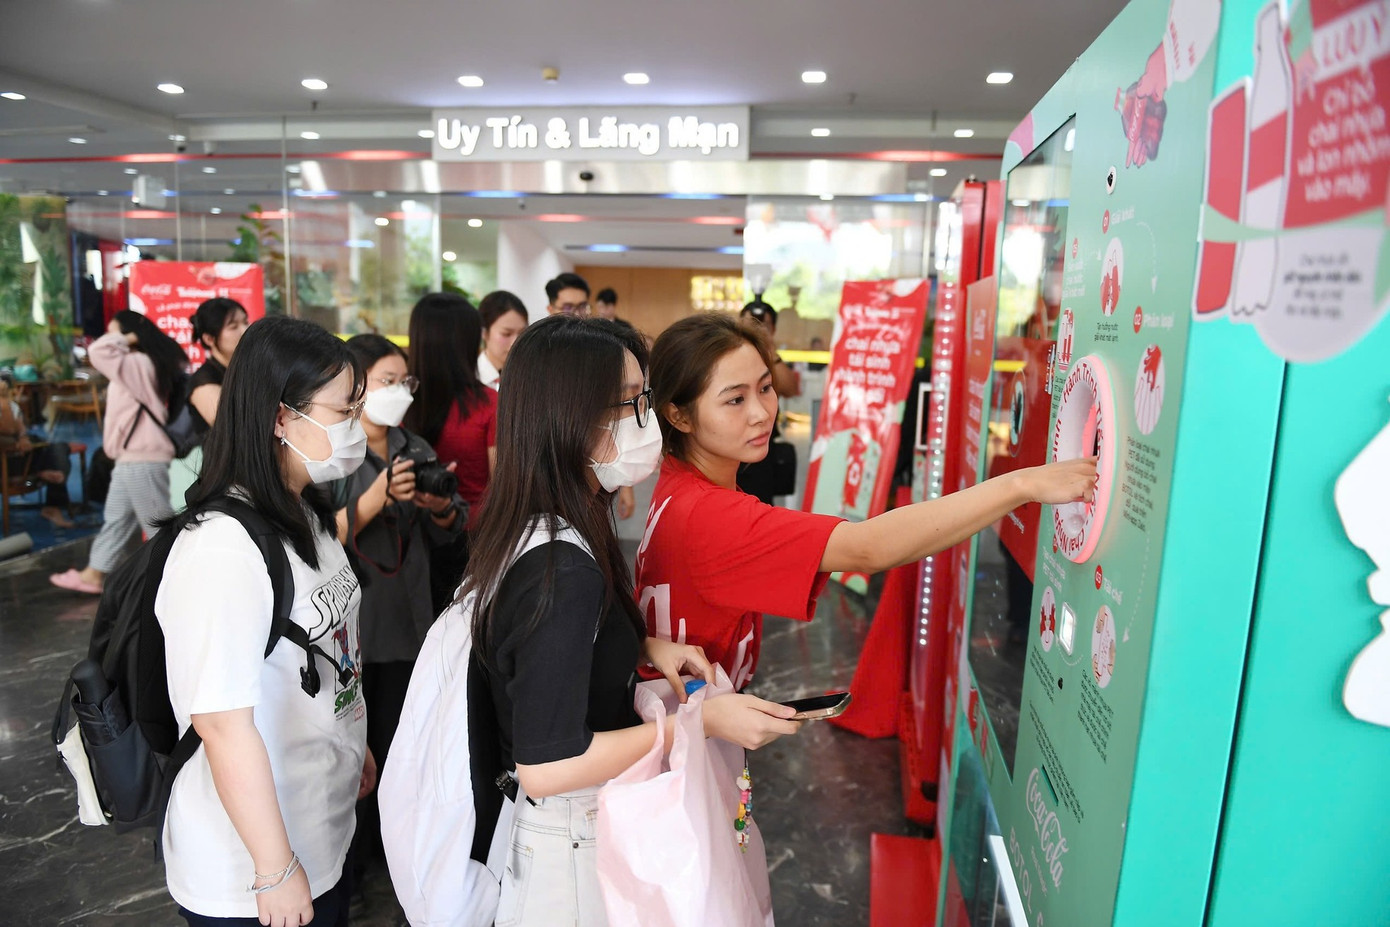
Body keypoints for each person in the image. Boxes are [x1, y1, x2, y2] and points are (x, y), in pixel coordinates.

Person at [465, 315, 798, 926]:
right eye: (629, 404)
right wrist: (699, 723)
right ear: (568, 416)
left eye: (643, 398)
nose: (647, 419)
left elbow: (548, 649)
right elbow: (547, 766)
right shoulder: (561, 568)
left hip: (575, 830)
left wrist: (644, 642)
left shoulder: (551, 524)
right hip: (570, 842)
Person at [637, 312, 1098, 690]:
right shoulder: (711, 515)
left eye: (765, 387)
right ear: (679, 415)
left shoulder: (678, 483)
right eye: (734, 400)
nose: (761, 413)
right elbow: (867, 548)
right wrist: (1021, 485)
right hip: (685, 742)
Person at [153, 316, 374, 926]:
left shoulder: (306, 514)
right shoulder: (222, 547)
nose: (355, 428)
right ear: (281, 417)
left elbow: (325, 647)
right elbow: (221, 724)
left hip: (320, 823)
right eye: (343, 411)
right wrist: (274, 868)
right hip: (251, 867)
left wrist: (354, 739)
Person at [330, 334, 465, 868]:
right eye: (387, 381)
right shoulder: (335, 452)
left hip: (417, 620)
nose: (400, 392)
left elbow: (453, 528)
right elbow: (320, 537)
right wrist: (375, 497)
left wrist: (440, 508)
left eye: (404, 381)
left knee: (409, 741)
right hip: (362, 627)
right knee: (360, 747)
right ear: (357, 387)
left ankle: (401, 850)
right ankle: (358, 857)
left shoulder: (416, 446)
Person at [50, 311, 186, 594]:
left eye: (114, 332)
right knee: (117, 519)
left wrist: (127, 336)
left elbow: (98, 351)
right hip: (132, 457)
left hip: (142, 457)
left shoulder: (138, 363)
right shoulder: (137, 364)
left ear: (129, 335)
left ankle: (182, 579)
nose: (110, 338)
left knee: (158, 525)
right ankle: (93, 574)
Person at [404, 292, 496, 519]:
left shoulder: (399, 402)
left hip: (405, 530)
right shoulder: (489, 404)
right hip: (474, 529)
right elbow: (503, 489)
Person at [170, 297, 250, 510]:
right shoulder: (203, 381)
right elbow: (237, 427)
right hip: (228, 483)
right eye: (233, 326)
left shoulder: (247, 372)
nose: (245, 330)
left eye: (245, 322)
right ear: (209, 338)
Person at [0, 373, 73, 528]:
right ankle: (43, 473)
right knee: (52, 455)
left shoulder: (11, 406)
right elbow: (9, 428)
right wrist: (3, 403)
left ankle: (51, 500)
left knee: (59, 448)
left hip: (24, 458)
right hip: (6, 465)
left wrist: (23, 437)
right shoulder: (5, 405)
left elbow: (20, 428)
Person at [477, 290, 528, 391]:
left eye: (522, 333)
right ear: (484, 333)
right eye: (506, 334)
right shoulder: (471, 379)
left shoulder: (532, 375)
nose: (515, 342)